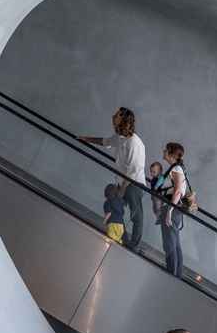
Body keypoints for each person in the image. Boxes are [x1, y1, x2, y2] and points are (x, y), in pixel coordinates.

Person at [77, 107, 146, 252]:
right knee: (117, 210)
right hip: (123, 182)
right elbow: (105, 142)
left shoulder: (133, 142)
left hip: (133, 184)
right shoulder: (120, 138)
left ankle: (134, 248)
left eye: (117, 115)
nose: (112, 115)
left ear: (123, 119)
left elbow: (133, 172)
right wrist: (86, 139)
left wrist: (122, 190)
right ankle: (123, 241)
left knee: (136, 217)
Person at [159, 143, 188, 278]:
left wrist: (169, 211)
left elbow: (177, 192)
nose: (164, 151)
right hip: (174, 209)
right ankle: (177, 275)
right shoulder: (176, 168)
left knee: (170, 244)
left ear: (171, 154)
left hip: (171, 209)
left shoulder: (176, 169)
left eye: (166, 149)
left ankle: (171, 275)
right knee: (175, 244)